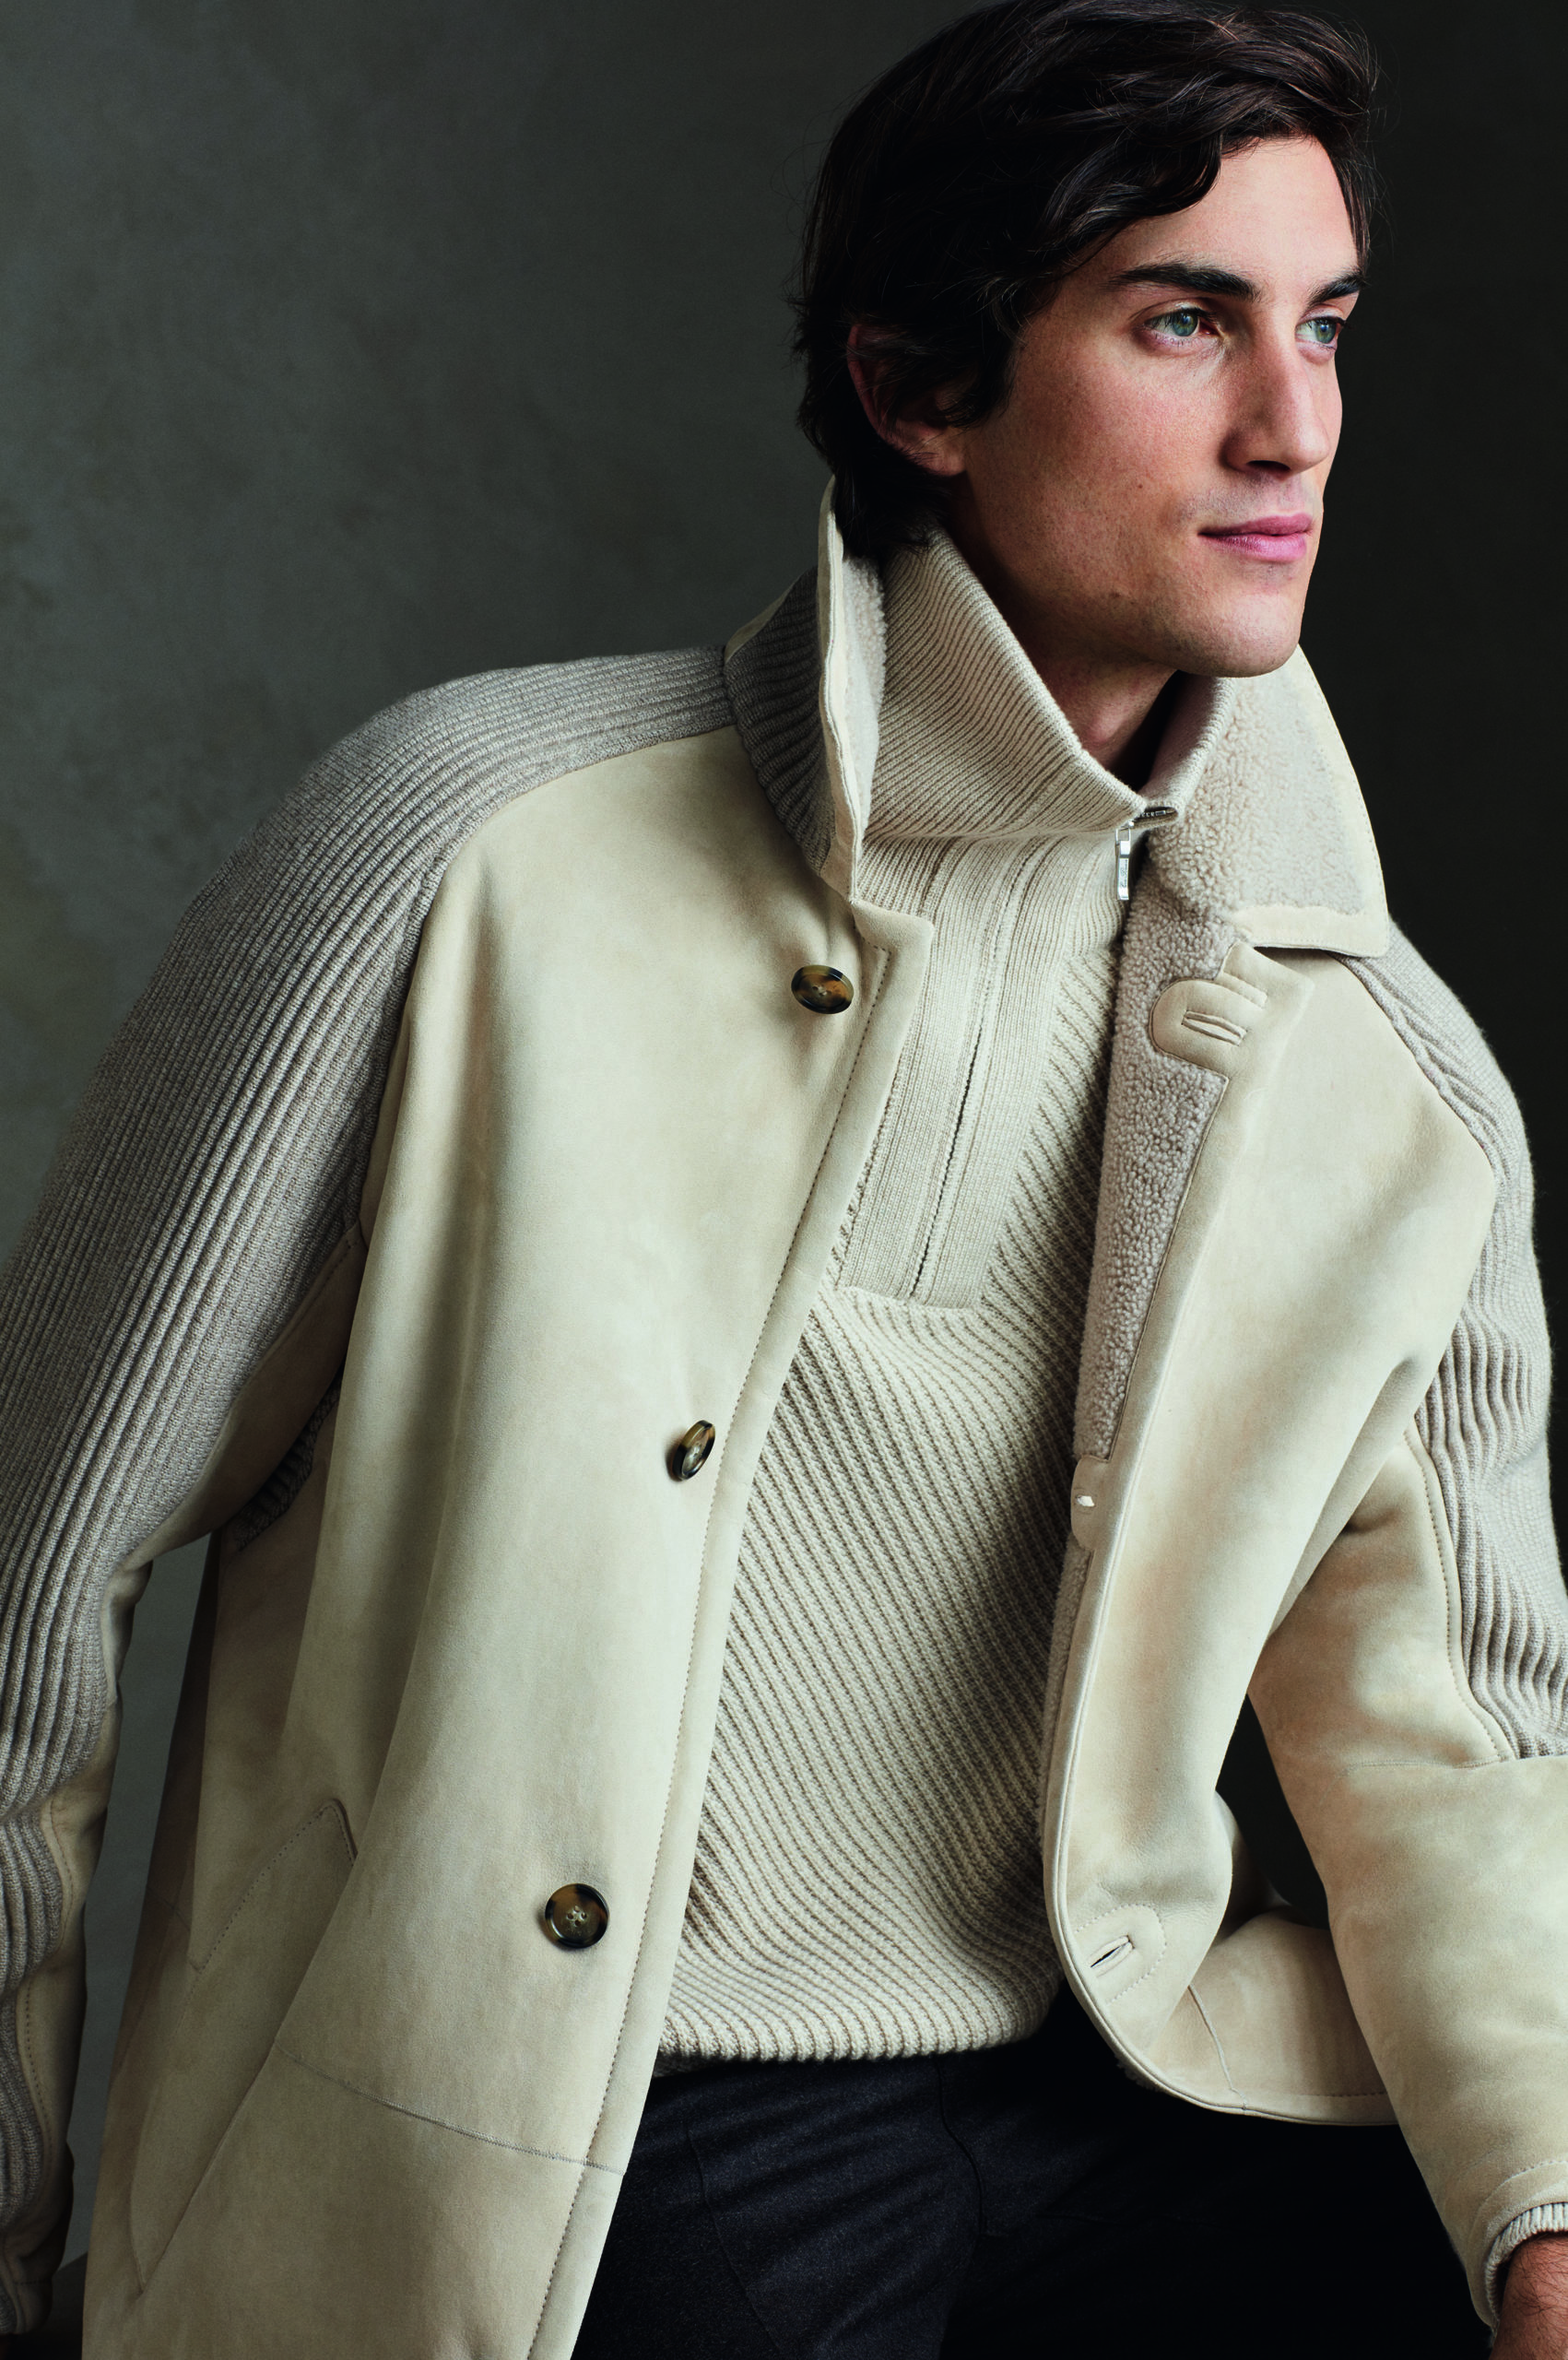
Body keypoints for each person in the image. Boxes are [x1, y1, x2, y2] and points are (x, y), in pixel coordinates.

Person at [0, 2, 1563, 2353]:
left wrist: (1544, 2218)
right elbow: (29, 1581)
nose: (1296, 422)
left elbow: (1448, 1742)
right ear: (918, 386)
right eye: (1184, 320)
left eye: (1324, 322)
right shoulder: (467, 853)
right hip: (623, 2118)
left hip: (1134, 2090)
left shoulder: (1386, 1072)